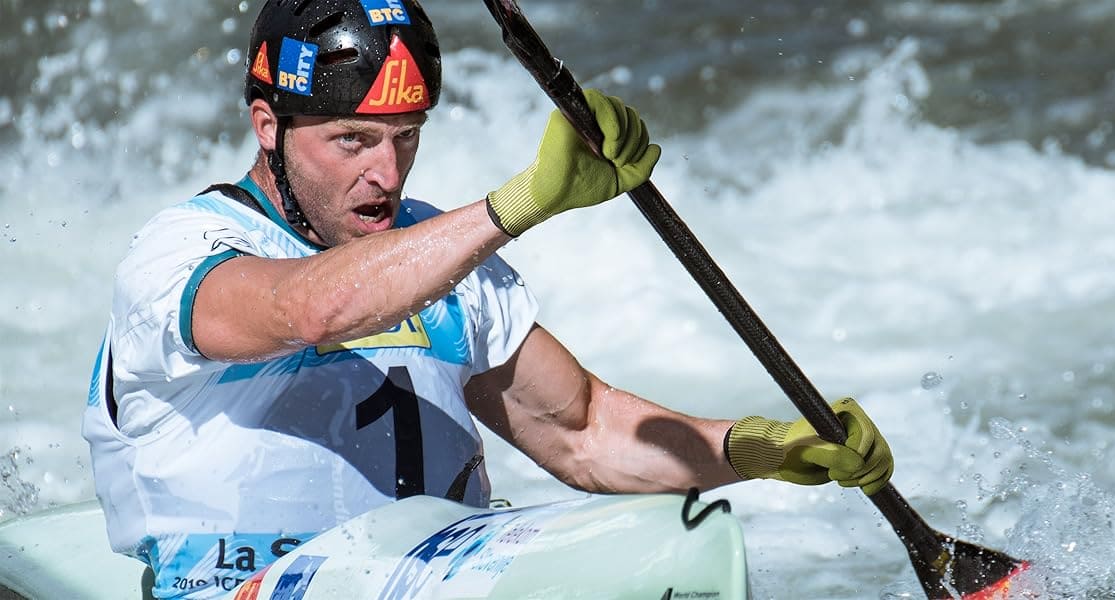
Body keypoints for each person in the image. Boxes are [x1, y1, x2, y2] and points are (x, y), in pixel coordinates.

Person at [80, 1, 893, 598]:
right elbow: (308, 312)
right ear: (268, 125)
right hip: (245, 582)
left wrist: (761, 450)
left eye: (407, 137)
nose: (387, 175)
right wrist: (523, 205)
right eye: (352, 141)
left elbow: (581, 431)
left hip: (435, 560)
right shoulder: (182, 251)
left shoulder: (440, 255)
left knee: (683, 544)